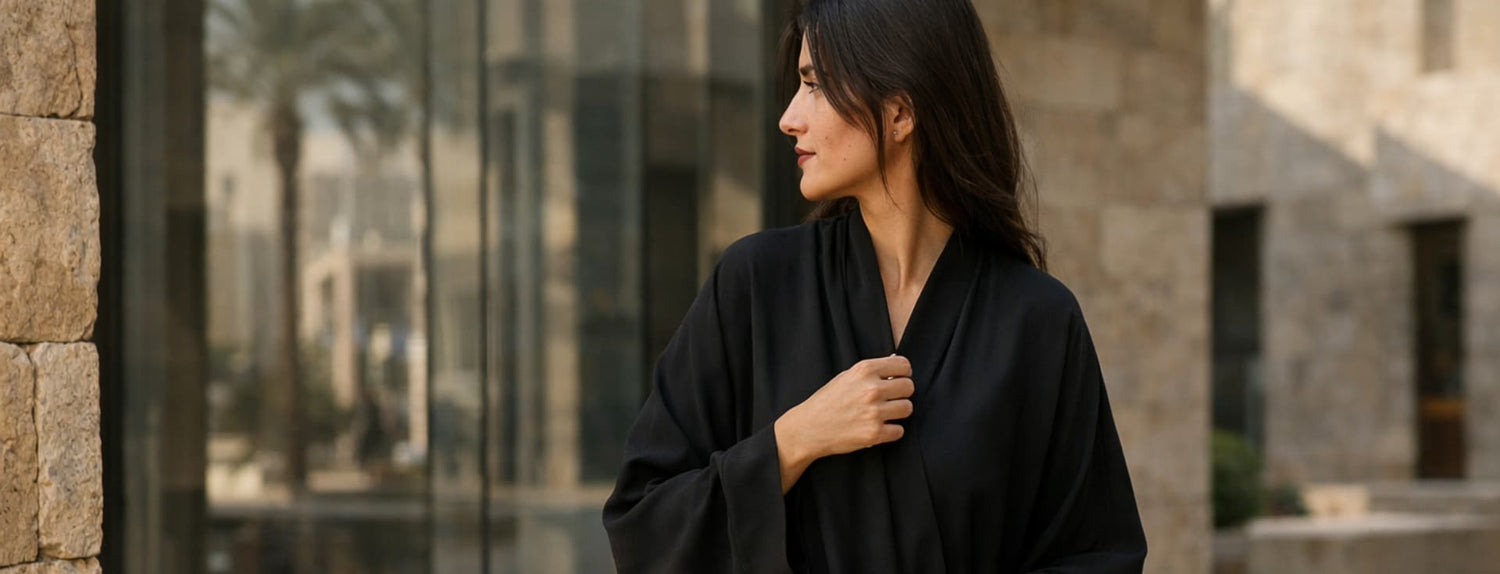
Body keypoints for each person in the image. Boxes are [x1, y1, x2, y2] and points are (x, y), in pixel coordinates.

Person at [601, 0, 1147, 571]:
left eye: (814, 84)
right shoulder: (757, 284)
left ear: (899, 113)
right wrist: (793, 440)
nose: (789, 116)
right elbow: (642, 523)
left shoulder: (1037, 319)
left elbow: (1098, 555)